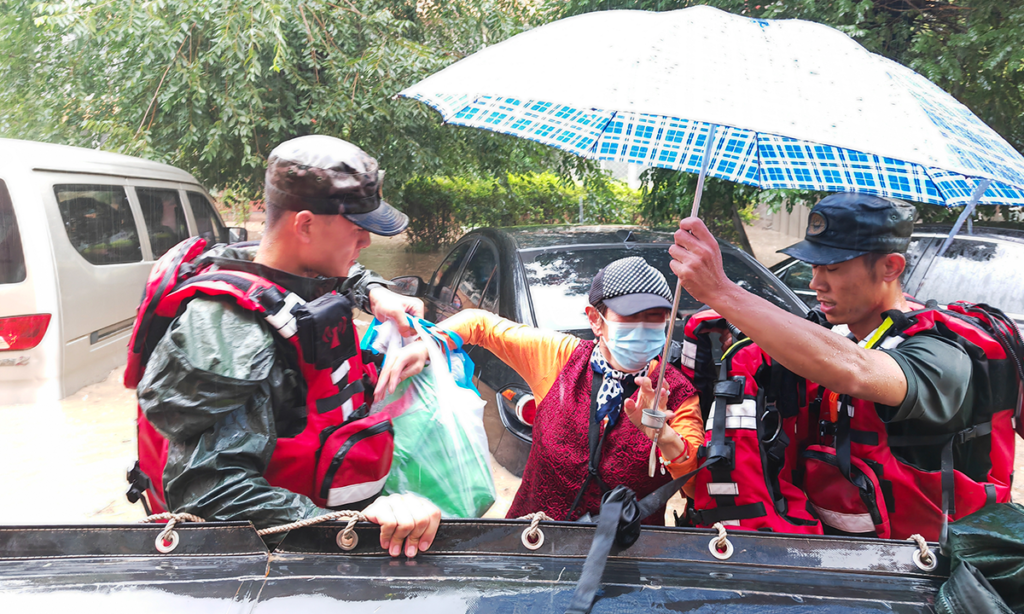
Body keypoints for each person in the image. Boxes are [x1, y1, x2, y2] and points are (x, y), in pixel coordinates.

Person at [133, 135, 441, 557]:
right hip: (277, 564)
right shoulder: (234, 333)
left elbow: (315, 276)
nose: (367, 242)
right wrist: (350, 529)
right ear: (306, 225)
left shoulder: (269, 261)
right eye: (357, 230)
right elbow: (210, 495)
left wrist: (372, 291)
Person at [669, 193, 1014, 540]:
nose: (816, 283)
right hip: (836, 556)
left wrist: (722, 292)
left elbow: (858, 371)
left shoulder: (941, 356)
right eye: (815, 267)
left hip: (923, 571)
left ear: (890, 268)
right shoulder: (837, 334)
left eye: (832, 269)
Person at [378, 256, 705, 525]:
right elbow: (480, 323)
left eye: (655, 319)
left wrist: (663, 435)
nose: (644, 329)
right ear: (595, 319)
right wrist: (428, 344)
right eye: (631, 318)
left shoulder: (676, 394)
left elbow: (694, 486)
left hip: (627, 560)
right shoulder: (559, 356)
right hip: (533, 541)